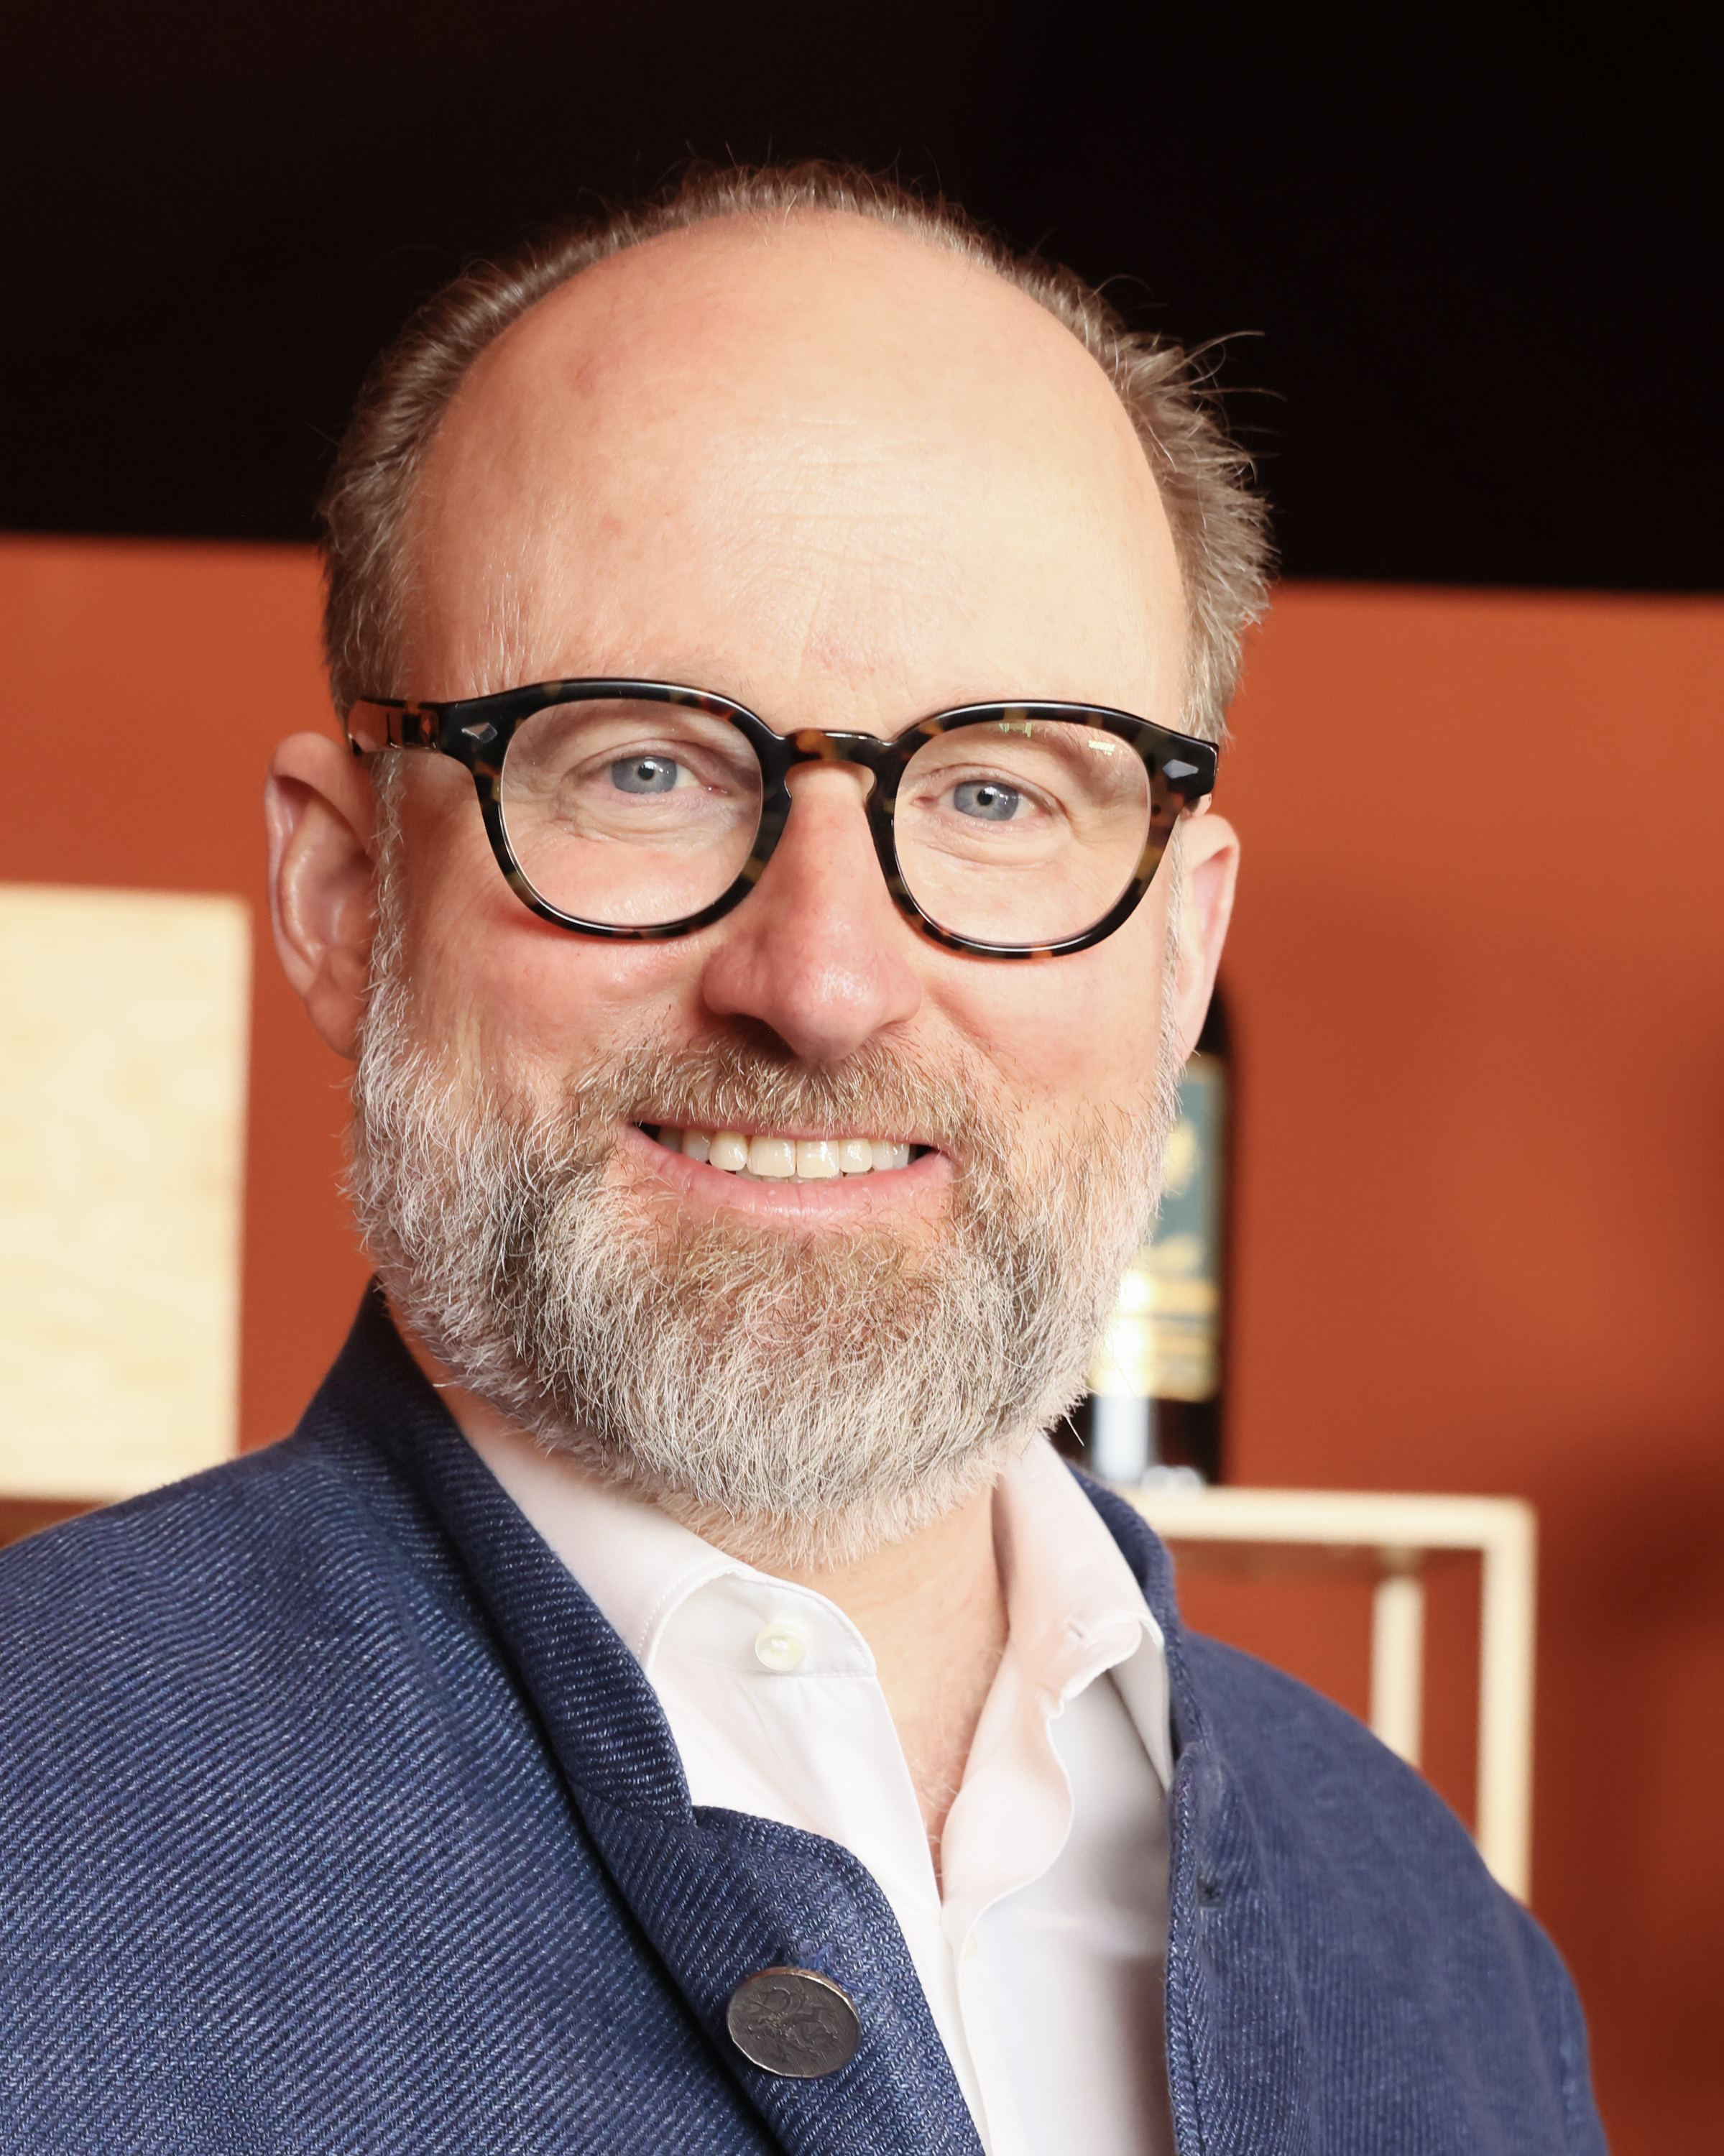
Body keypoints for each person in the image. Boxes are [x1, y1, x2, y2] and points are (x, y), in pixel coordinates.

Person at [0, 165, 1605, 2155]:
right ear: (343, 894)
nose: (827, 981)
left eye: (1004, 791)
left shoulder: (1430, 1939)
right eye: (643, 768)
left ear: (1179, 951)